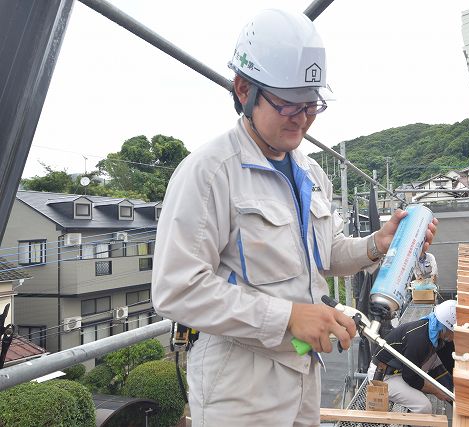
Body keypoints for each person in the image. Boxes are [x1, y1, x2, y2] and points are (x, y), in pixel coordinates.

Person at [151, 9, 437, 426]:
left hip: (305, 369)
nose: (302, 118)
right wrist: (287, 316)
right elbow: (176, 288)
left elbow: (328, 252)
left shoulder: (309, 171)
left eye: (312, 105)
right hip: (240, 384)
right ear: (243, 89)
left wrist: (379, 244)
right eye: (288, 105)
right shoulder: (211, 171)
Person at [367, 299, 456, 414]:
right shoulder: (419, 339)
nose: (456, 335)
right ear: (445, 327)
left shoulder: (438, 333)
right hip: (384, 376)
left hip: (402, 368)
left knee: (438, 365)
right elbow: (410, 377)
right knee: (424, 407)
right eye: (454, 331)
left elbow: (449, 362)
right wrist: (437, 391)